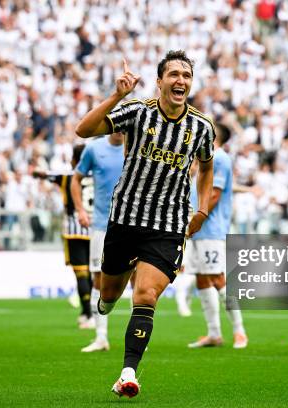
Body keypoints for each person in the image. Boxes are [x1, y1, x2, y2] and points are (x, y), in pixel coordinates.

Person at [74, 50, 215, 398]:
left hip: (168, 226)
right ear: (160, 80)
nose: (180, 80)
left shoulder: (201, 127)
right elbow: (83, 130)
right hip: (124, 220)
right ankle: (105, 304)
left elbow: (207, 167)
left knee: (146, 294)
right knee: (108, 297)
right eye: (174, 74)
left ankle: (127, 373)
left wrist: (201, 211)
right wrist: (117, 95)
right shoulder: (137, 111)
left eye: (186, 75)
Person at [185, 123, 248, 349]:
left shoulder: (219, 158)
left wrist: (196, 219)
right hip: (198, 230)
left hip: (210, 229)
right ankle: (214, 333)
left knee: (218, 278)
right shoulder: (205, 158)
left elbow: (214, 195)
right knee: (202, 279)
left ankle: (240, 331)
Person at [70, 132, 125, 352]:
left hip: (132, 225)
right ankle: (101, 337)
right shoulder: (94, 149)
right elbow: (76, 178)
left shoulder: (138, 145)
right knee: (98, 278)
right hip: (102, 225)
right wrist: (81, 210)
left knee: (137, 278)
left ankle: (137, 334)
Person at [32, 144, 94, 329]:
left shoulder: (67, 176)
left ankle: (89, 315)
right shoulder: (98, 174)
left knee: (81, 273)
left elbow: (41, 174)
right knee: (92, 272)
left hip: (74, 229)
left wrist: (37, 172)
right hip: (96, 229)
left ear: (74, 160)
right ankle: (86, 312)